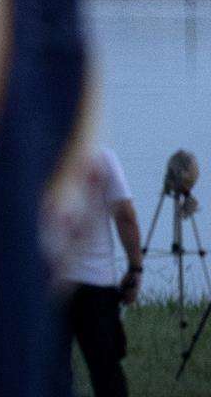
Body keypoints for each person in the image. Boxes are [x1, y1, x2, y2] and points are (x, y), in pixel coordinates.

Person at [54, 145, 141, 397]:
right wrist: (135, 267)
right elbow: (125, 214)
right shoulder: (102, 157)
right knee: (105, 368)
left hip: (51, 283)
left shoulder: (40, 150)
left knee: (53, 369)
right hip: (96, 283)